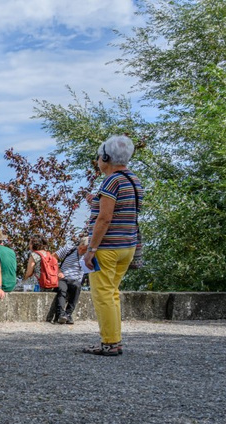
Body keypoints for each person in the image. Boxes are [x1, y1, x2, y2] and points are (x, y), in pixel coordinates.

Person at [83, 134, 143, 356]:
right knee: (113, 292)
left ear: (106, 157)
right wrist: (95, 201)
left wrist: (91, 249)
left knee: (103, 295)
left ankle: (109, 343)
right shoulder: (133, 180)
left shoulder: (111, 180)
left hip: (108, 247)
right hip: (127, 245)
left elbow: (105, 219)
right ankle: (114, 340)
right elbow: (121, 209)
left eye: (99, 156)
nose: (98, 160)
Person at [53, 235, 88, 324]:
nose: (81, 251)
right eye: (80, 248)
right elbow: (53, 258)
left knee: (77, 288)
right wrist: (59, 271)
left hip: (76, 280)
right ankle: (60, 314)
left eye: (84, 250)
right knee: (62, 290)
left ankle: (68, 314)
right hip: (63, 277)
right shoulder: (69, 249)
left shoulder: (88, 256)